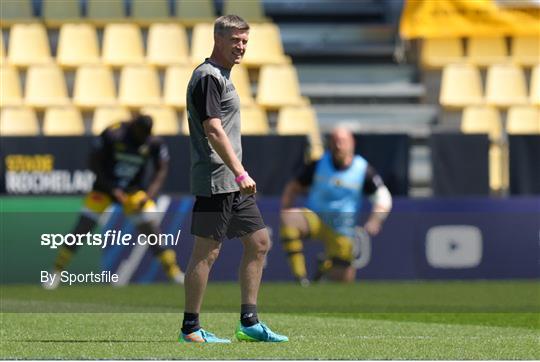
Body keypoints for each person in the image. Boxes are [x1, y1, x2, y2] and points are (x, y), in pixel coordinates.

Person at [179, 15, 288, 343]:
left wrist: (237, 174)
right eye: (235, 41)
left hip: (232, 182)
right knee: (206, 253)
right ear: (218, 40)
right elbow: (213, 129)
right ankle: (190, 328)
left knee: (259, 242)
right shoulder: (208, 77)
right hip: (217, 179)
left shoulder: (223, 76)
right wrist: (239, 171)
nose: (241, 47)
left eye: (244, 41)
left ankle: (250, 323)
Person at [43, 115, 184, 289]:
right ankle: (56, 271)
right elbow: (93, 162)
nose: (142, 140)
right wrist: (112, 188)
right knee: (82, 228)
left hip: (133, 192)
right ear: (134, 129)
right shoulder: (113, 134)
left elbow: (161, 170)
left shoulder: (154, 143)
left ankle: (173, 271)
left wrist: (148, 195)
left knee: (152, 231)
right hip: (104, 189)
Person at [280, 126, 392, 285]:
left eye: (343, 141)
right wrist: (286, 207)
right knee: (289, 218)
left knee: (344, 280)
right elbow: (293, 187)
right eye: (335, 141)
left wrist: (376, 220)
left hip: (342, 229)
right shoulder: (318, 164)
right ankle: (301, 278)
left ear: (352, 143)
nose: (339, 146)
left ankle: (326, 265)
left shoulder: (363, 170)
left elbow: (383, 197)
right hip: (316, 219)